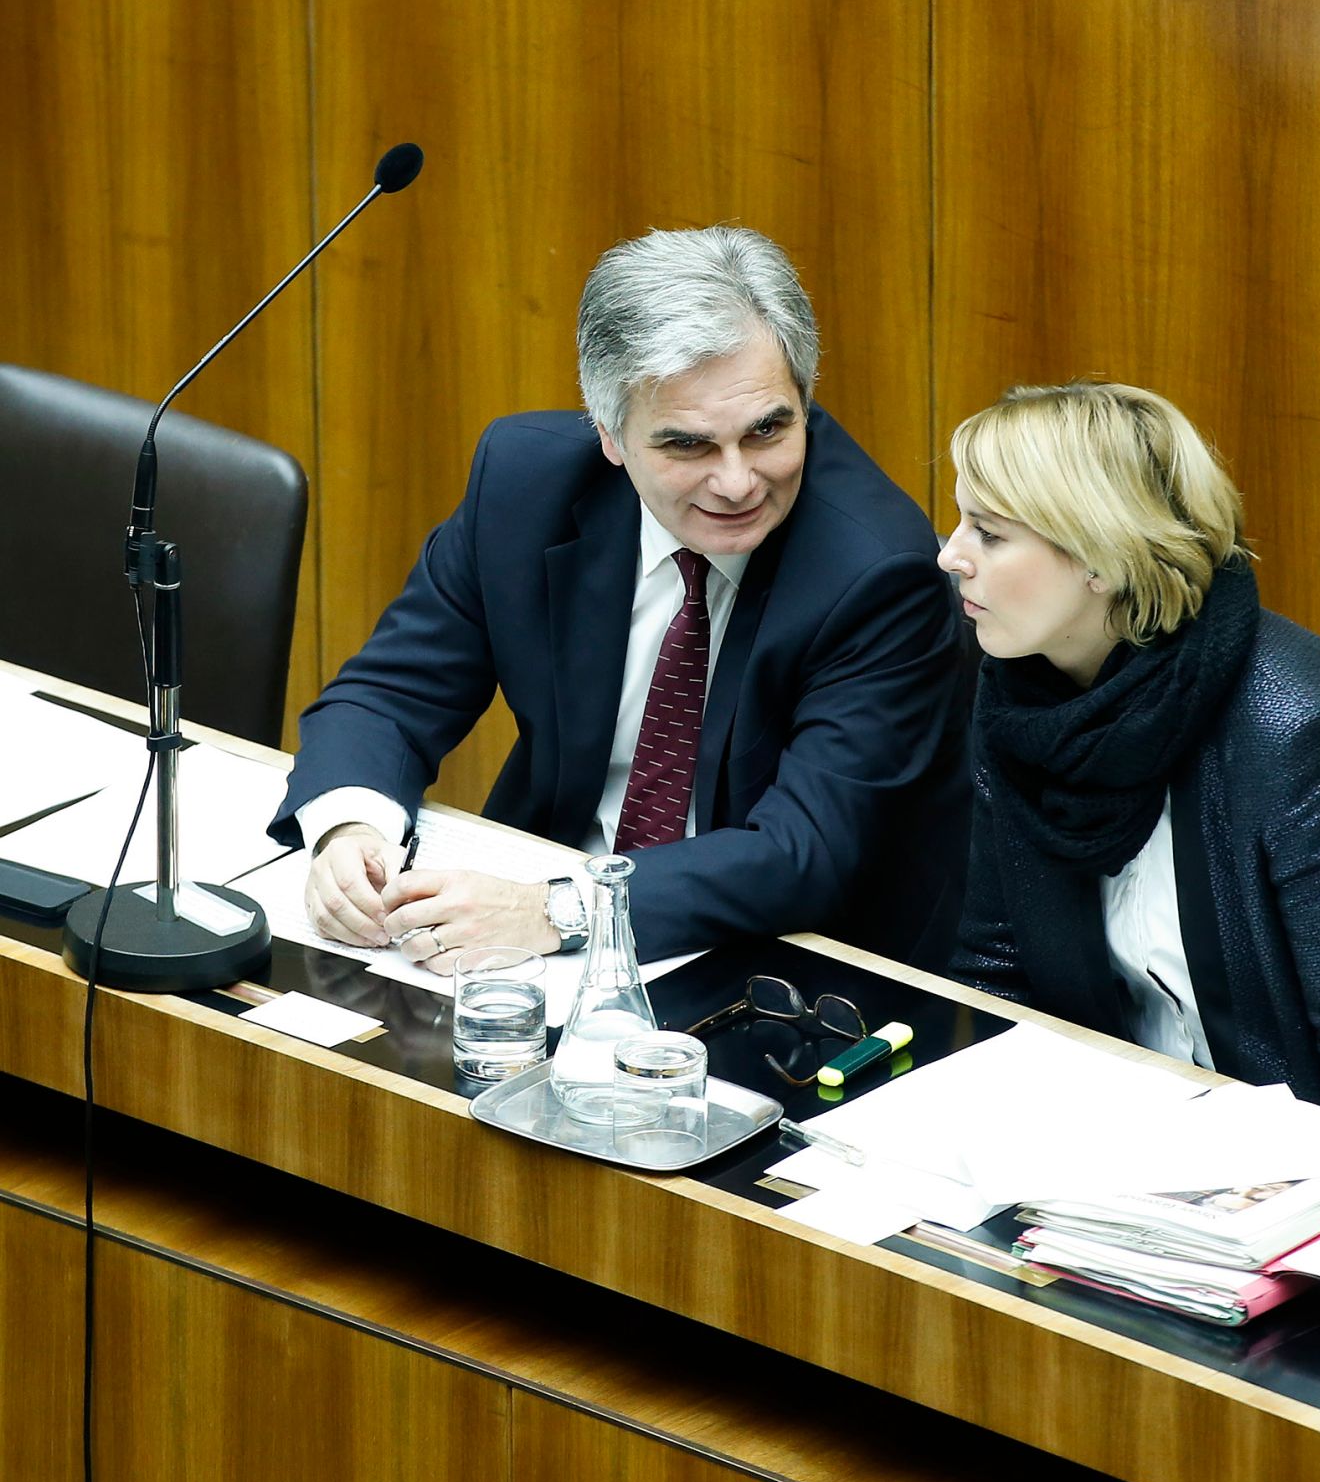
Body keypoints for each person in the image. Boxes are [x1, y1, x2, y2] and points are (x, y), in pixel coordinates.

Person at [270, 226, 968, 971]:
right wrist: (351, 831)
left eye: (767, 430)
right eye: (688, 445)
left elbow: (805, 852)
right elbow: (388, 696)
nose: (738, 482)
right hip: (539, 918)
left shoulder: (876, 572)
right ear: (609, 435)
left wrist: (555, 911)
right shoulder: (526, 486)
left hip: (770, 959)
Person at [938, 381, 1320, 1166]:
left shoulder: (1294, 729)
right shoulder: (1026, 699)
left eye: (989, 534)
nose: (950, 554)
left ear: (1100, 558)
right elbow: (997, 975)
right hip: (1148, 1142)